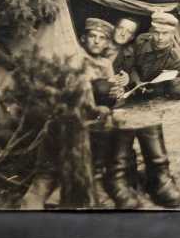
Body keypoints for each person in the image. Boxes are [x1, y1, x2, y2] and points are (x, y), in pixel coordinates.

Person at [19, 18, 118, 209]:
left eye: (102, 38)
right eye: (92, 36)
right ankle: (41, 192)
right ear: (83, 39)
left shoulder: (106, 64)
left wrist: (115, 92)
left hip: (92, 118)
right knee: (49, 167)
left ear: (107, 43)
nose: (97, 41)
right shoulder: (74, 57)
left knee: (105, 121)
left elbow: (106, 97)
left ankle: (66, 189)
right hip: (66, 115)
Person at [105, 11, 180, 209]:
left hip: (154, 92)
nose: (159, 38)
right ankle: (121, 176)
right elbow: (128, 64)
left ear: (172, 34)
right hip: (131, 90)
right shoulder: (141, 41)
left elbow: (174, 80)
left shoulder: (176, 56)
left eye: (165, 34)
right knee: (127, 117)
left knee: (148, 118)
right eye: (156, 33)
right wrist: (131, 79)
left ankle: (158, 175)